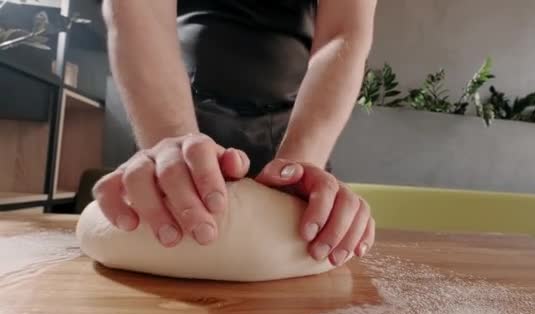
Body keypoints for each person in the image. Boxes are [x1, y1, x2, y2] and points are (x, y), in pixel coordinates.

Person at [93, 0, 377, 267]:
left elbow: (343, 31)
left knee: (294, 242)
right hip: (172, 114)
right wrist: (175, 153)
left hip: (294, 130)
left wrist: (299, 166)